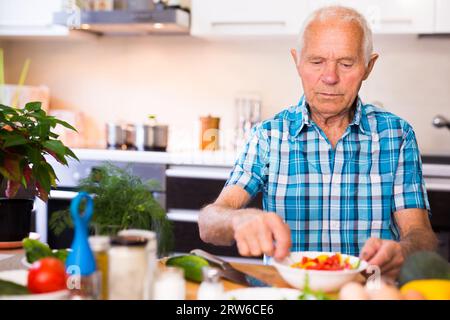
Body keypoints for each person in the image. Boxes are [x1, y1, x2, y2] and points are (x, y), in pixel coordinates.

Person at [198, 5, 437, 278]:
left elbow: (421, 236)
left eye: (346, 64)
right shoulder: (269, 135)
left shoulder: (397, 135)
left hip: (368, 292)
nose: (330, 77)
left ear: (368, 66)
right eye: (316, 62)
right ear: (297, 61)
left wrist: (403, 251)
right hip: (287, 293)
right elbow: (209, 223)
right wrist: (236, 219)